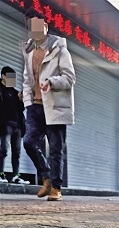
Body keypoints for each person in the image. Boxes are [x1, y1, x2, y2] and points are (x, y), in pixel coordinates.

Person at [22, 8, 76, 201]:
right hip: (35, 107)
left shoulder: (59, 49)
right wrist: (27, 102)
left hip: (54, 106)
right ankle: (46, 178)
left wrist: (51, 82)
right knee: (28, 142)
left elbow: (70, 78)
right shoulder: (29, 51)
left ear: (45, 25)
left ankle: (56, 188)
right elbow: (27, 80)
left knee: (55, 149)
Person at [0, 66, 29, 185]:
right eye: (10, 77)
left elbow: (20, 110)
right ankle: (1, 174)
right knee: (3, 150)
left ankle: (16, 176)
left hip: (17, 126)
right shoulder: (1, 91)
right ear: (3, 76)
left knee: (17, 152)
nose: (13, 80)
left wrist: (21, 101)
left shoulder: (15, 92)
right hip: (6, 125)